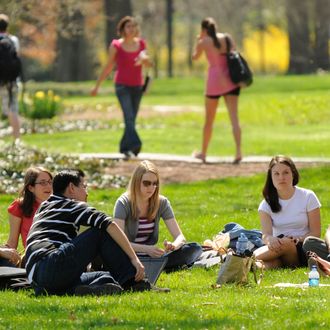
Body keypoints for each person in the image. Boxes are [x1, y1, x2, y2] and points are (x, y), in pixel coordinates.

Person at [25, 169, 148, 296]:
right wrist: (134, 259)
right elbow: (110, 224)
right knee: (99, 231)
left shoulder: (44, 207)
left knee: (106, 277)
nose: (87, 193)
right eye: (84, 187)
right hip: (52, 266)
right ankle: (134, 284)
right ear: (72, 188)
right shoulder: (71, 205)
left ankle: (74, 291)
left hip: (37, 280)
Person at [113, 160, 202, 272]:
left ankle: (156, 265)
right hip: (127, 256)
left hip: (152, 257)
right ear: (136, 182)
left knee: (195, 248)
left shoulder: (162, 202)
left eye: (155, 183)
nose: (151, 187)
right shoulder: (123, 203)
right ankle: (158, 266)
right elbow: (118, 241)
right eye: (146, 183)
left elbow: (180, 237)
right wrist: (146, 249)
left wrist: (173, 246)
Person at [91, 16, 152, 158]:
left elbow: (149, 65)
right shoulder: (116, 45)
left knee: (131, 119)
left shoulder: (142, 44)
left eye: (133, 26)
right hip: (122, 86)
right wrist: (97, 86)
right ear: (123, 29)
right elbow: (108, 66)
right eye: (128, 26)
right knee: (129, 117)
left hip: (137, 86)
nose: (131, 29)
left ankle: (124, 147)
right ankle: (136, 143)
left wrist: (146, 60)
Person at [253, 155, 321, 269]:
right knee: (265, 266)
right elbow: (265, 235)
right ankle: (251, 265)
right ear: (271, 177)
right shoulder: (266, 204)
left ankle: (245, 259)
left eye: (286, 173)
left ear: (293, 174)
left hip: (302, 248)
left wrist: (298, 239)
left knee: (287, 243)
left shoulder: (308, 196)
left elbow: (316, 233)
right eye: (276, 174)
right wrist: (271, 239)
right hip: (278, 248)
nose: (281, 177)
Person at [192, 17, 241, 164]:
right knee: (234, 119)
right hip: (231, 81)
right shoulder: (227, 38)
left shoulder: (204, 42)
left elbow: (194, 57)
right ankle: (239, 152)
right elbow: (234, 52)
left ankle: (203, 153)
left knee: (209, 120)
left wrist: (198, 40)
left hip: (214, 82)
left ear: (203, 29)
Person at [0, 166, 52, 268]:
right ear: (30, 187)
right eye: (43, 183)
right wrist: (3, 252)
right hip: (33, 256)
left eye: (50, 182)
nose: (48, 186)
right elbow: (12, 242)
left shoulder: (60, 205)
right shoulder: (20, 206)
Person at [0, 13, 21, 142]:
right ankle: (17, 140)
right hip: (13, 80)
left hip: (0, 81)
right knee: (13, 108)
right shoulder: (13, 40)